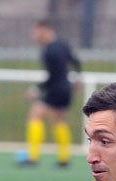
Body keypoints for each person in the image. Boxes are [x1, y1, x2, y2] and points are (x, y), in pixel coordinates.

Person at [17, 18, 80, 168]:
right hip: (66, 89)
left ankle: (33, 157)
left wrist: (36, 89)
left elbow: (53, 77)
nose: (34, 36)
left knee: (35, 116)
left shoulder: (49, 50)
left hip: (56, 89)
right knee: (59, 121)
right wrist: (78, 77)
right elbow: (76, 61)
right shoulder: (63, 44)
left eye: (36, 32)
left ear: (44, 30)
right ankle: (64, 158)